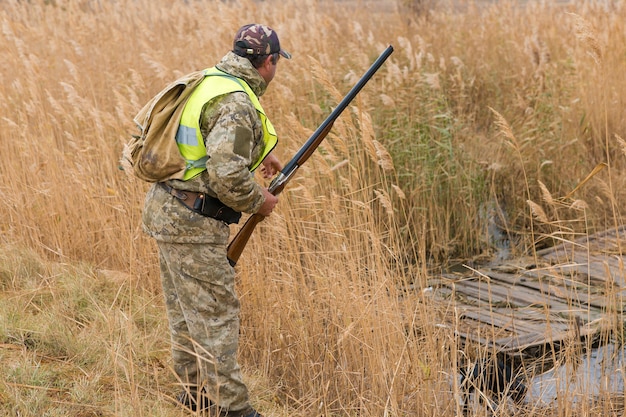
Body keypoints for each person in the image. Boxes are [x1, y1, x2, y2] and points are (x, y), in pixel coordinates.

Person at [141, 24, 290, 417]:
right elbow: (226, 175)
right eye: (277, 63)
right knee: (217, 316)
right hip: (194, 222)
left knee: (185, 312)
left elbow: (205, 151)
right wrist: (260, 201)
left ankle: (191, 395)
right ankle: (234, 409)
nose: (276, 71)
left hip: (168, 209)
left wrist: (261, 158)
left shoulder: (210, 80)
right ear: (268, 62)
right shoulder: (237, 101)